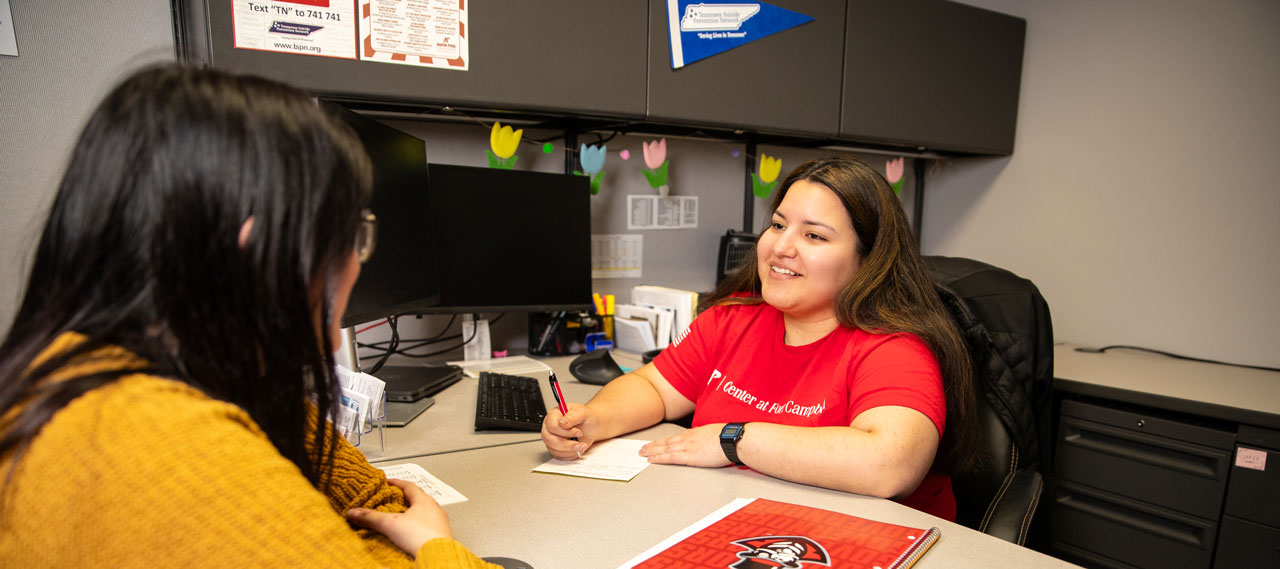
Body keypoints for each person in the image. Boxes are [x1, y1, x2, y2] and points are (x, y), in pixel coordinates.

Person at [0, 66, 499, 568]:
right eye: (354, 232)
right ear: (265, 248)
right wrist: (439, 548)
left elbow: (373, 502)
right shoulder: (167, 446)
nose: (359, 258)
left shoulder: (187, 371)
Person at [542, 155, 981, 521]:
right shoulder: (736, 318)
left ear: (868, 260)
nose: (780, 247)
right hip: (742, 525)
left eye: (813, 235)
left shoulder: (892, 346)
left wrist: (732, 439)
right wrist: (594, 421)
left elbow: (891, 464)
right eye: (777, 225)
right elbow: (653, 386)